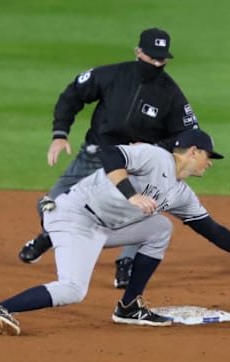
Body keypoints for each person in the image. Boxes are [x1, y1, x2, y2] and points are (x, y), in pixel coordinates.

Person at [0, 129, 230, 335]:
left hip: (101, 227)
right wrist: (130, 193)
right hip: (73, 217)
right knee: (73, 289)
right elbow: (110, 153)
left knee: (160, 229)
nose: (210, 164)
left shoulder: (181, 194)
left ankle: (129, 306)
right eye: (209, 157)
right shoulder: (155, 156)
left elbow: (215, 232)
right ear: (193, 151)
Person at [19, 27, 200, 290]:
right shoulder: (111, 74)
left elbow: (188, 132)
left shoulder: (170, 92)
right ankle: (49, 235)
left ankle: (126, 261)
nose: (157, 64)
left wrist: (154, 147)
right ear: (138, 52)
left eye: (162, 59)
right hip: (95, 155)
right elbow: (72, 95)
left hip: (135, 165)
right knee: (50, 205)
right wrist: (60, 134)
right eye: (152, 57)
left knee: (144, 210)